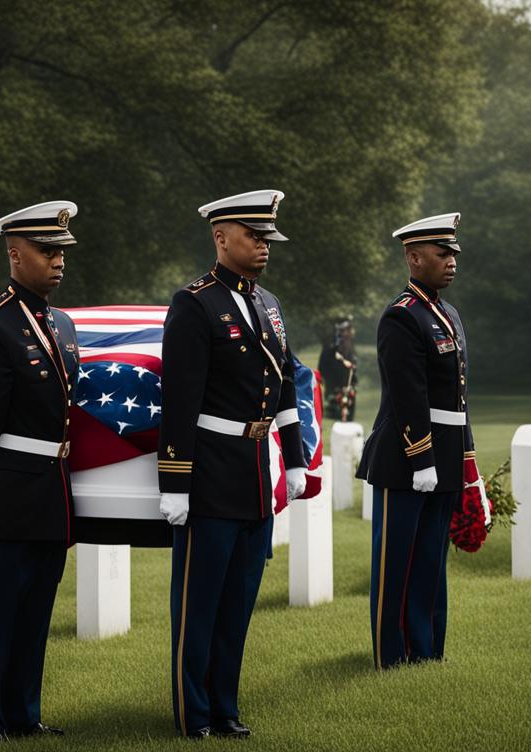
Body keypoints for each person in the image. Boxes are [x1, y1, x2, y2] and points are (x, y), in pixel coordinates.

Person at [157, 189, 308, 739]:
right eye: (254, 236)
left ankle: (225, 707)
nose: (265, 245)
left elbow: (286, 386)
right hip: (210, 475)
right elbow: (180, 399)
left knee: (238, 603)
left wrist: (293, 461)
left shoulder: (269, 305)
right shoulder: (194, 304)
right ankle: (192, 713)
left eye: (268, 237)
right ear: (221, 238)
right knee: (200, 606)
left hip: (255, 472)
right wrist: (174, 482)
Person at [0, 201, 82, 739]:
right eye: (46, 250)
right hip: (8, 492)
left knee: (34, 616)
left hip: (52, 492)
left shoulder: (62, 322)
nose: (58, 260)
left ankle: (24, 716)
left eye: (62, 251)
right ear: (15, 254)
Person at [356, 212, 483, 670]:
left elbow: (458, 398)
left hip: (445, 455)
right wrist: (422, 457)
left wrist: (467, 465)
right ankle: (392, 655)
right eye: (441, 253)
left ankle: (427, 650)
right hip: (404, 457)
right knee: (397, 563)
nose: (451, 261)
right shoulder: (401, 317)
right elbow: (409, 396)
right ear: (414, 258)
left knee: (431, 561)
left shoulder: (448, 314)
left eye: (453, 253)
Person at [318, 316, 359, 422]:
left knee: (349, 424)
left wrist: (352, 386)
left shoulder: (350, 347)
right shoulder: (330, 349)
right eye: (343, 331)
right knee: (335, 423)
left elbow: (353, 371)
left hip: (349, 392)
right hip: (334, 394)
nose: (346, 333)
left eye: (348, 330)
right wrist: (335, 388)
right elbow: (323, 369)